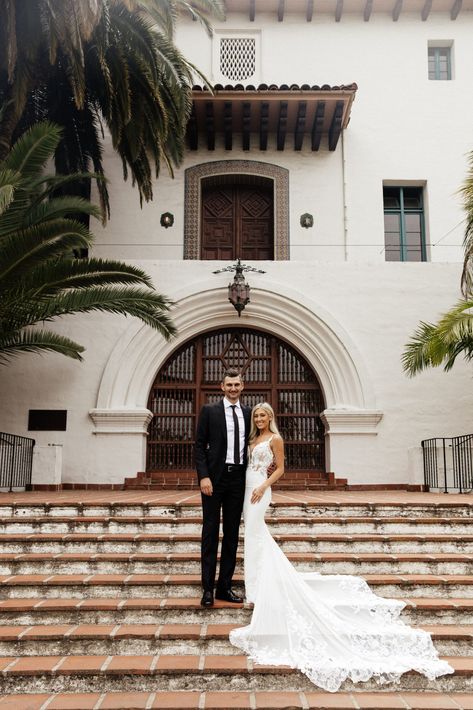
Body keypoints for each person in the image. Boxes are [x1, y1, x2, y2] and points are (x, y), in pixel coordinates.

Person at [230, 402, 454, 693]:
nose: (259, 418)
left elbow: (282, 468)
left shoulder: (275, 439)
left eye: (263, 415)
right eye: (257, 415)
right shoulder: (252, 440)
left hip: (260, 487)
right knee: (253, 537)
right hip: (247, 485)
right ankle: (256, 586)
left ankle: (261, 587)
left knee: (259, 534)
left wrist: (263, 486)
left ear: (270, 417)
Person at [195, 369, 251, 608]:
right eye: (229, 384)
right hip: (214, 480)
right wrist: (204, 477)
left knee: (231, 535)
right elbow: (199, 446)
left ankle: (224, 587)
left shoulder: (249, 413)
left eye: (237, 384)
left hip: (238, 480)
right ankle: (207, 589)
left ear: (242, 386)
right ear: (222, 387)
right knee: (210, 533)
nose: (233, 388)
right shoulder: (210, 411)